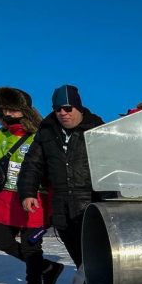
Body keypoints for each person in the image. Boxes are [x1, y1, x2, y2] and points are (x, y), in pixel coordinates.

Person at [0, 87, 64, 284]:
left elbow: (51, 171)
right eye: (4, 108)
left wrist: (53, 206)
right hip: (4, 200)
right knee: (1, 241)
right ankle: (48, 267)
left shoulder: (40, 135)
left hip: (34, 200)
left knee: (30, 248)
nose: (7, 113)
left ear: (25, 110)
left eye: (13, 109)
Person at [17, 85, 104, 274]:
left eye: (67, 108)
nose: (62, 113)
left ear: (78, 108)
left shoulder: (98, 128)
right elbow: (32, 164)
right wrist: (27, 192)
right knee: (77, 255)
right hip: (61, 205)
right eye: (57, 109)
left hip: (91, 202)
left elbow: (111, 164)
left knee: (97, 254)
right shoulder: (46, 132)